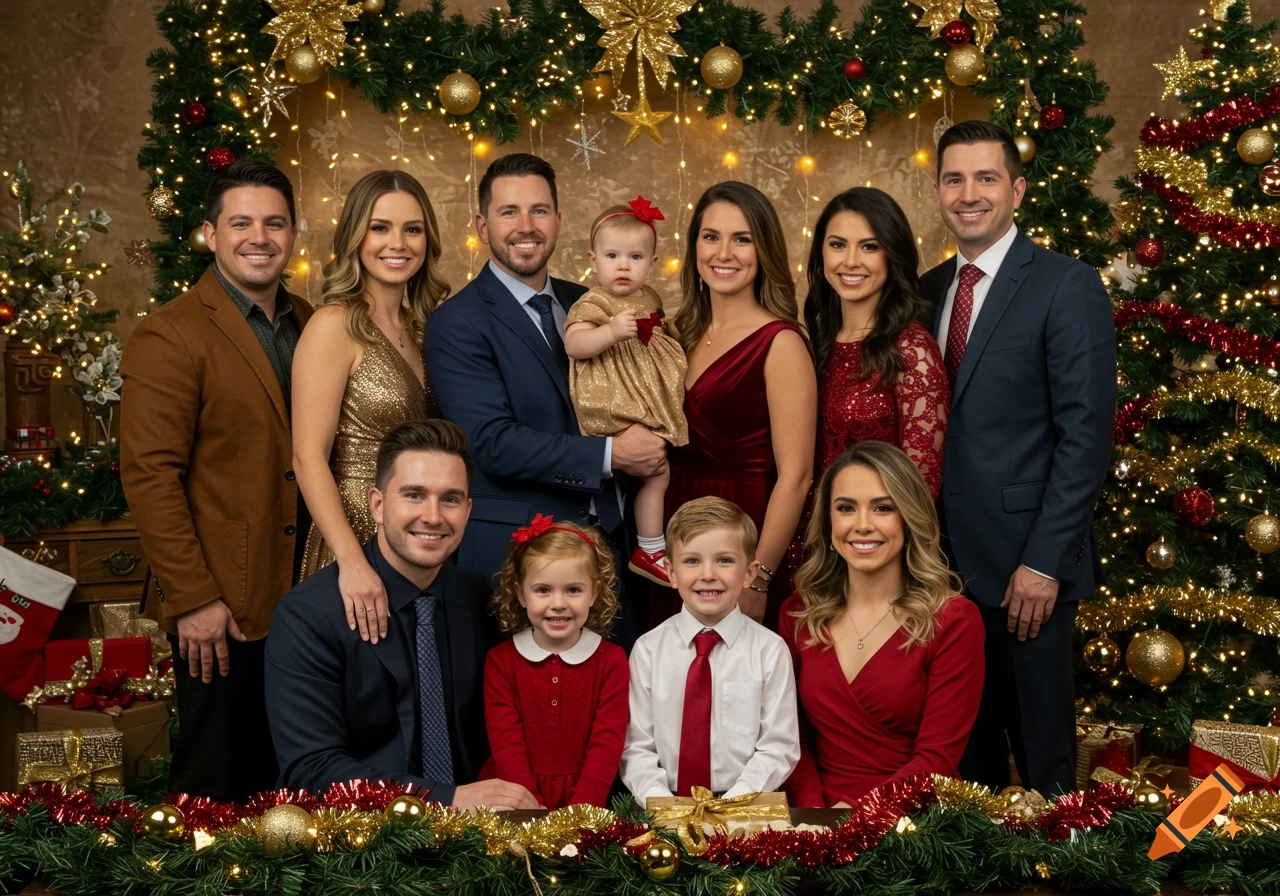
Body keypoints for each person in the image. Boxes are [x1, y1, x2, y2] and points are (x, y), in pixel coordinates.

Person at [920, 120, 1117, 796]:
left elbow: (1086, 435)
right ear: (938, 189)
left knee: (1044, 769)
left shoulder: (1067, 285)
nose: (968, 193)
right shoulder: (925, 291)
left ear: (1017, 190)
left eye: (985, 177)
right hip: (937, 575)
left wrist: (1043, 563)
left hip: (1023, 574)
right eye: (953, 178)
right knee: (963, 771)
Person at [119, 159, 314, 801]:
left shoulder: (311, 321)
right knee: (218, 785)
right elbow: (150, 477)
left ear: (293, 234)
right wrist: (194, 598)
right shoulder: (170, 333)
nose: (259, 236)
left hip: (307, 588)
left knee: (294, 780)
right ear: (210, 233)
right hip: (224, 601)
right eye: (241, 223)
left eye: (274, 222)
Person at [424, 153, 665, 650]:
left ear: (558, 221)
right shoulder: (457, 323)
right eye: (509, 212)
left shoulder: (592, 302)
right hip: (518, 561)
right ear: (482, 225)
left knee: (614, 709)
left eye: (539, 211)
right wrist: (611, 454)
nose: (526, 226)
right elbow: (491, 443)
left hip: (613, 557)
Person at [265, 420, 539, 810]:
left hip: (484, 833)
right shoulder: (308, 615)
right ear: (377, 505)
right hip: (360, 842)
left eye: (450, 499)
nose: (433, 516)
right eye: (414, 495)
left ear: (468, 509)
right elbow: (310, 770)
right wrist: (446, 799)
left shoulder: (479, 597)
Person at [293, 169, 449, 644]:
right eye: (380, 227)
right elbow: (308, 457)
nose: (397, 243)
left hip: (419, 535)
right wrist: (352, 561)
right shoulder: (333, 324)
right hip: (355, 537)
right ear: (355, 236)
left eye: (412, 229)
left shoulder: (426, 329)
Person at [780, 441, 983, 807]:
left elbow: (937, 759)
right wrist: (815, 818)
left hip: (915, 822)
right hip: (815, 816)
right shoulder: (799, 615)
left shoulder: (954, 620)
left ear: (909, 516)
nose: (862, 525)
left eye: (883, 508)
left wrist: (861, 815)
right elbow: (794, 741)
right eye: (845, 508)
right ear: (828, 522)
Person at [661, 182, 817, 630]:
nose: (723, 253)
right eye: (711, 237)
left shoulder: (781, 342)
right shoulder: (681, 332)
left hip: (743, 530)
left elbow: (797, 475)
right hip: (675, 527)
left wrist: (759, 576)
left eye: (741, 239)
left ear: (763, 249)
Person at [787, 187, 949, 573]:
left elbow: (921, 485)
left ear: (892, 255)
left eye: (869, 247)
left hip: (872, 553)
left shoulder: (912, 350)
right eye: (838, 244)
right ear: (821, 254)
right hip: (809, 548)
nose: (851, 261)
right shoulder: (818, 343)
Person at [621, 497, 799, 808]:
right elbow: (635, 746)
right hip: (662, 803)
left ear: (749, 572)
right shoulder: (648, 650)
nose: (708, 574)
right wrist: (663, 805)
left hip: (743, 805)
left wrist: (731, 806)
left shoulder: (770, 651)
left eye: (724, 560)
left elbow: (778, 746)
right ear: (671, 572)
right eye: (692, 561)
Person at [564, 196, 688, 587]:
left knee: (656, 472)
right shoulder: (593, 300)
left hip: (643, 395)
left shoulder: (649, 298)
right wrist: (611, 332)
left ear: (652, 265)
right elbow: (575, 345)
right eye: (612, 255)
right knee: (657, 472)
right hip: (613, 401)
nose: (623, 265)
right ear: (593, 259)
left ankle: (647, 544)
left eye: (635, 257)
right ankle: (650, 547)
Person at [482, 515, 629, 808]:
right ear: (521, 593)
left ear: (594, 593)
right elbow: (506, 745)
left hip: (588, 801)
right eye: (543, 590)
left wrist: (580, 813)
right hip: (513, 799)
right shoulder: (501, 661)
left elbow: (607, 747)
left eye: (573, 590)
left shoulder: (611, 660)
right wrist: (530, 810)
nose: (558, 603)